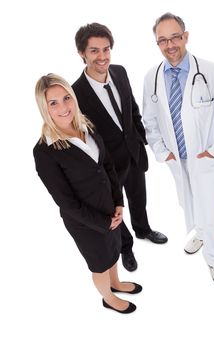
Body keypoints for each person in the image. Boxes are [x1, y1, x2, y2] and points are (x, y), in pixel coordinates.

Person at [33, 73, 142, 314]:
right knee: (100, 263)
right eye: (53, 103)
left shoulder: (86, 126)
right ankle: (108, 297)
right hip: (86, 223)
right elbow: (66, 203)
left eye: (66, 98)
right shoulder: (45, 151)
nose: (63, 107)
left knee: (114, 251)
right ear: (45, 108)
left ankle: (116, 283)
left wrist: (118, 203)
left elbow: (107, 165)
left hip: (110, 210)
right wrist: (104, 222)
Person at [143, 13, 214, 284]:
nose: (170, 44)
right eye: (163, 40)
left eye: (175, 37)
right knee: (187, 201)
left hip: (206, 158)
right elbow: (149, 120)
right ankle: (199, 231)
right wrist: (163, 152)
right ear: (157, 44)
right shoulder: (152, 77)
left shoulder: (210, 71)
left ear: (186, 36)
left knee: (211, 212)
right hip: (178, 158)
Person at [72, 23, 168, 273]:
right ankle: (126, 247)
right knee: (116, 208)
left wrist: (142, 138)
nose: (102, 57)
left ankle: (143, 229)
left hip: (133, 153)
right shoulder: (75, 94)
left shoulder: (120, 72)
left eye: (106, 49)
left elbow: (132, 108)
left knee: (139, 198)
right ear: (81, 53)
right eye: (94, 51)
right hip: (108, 165)